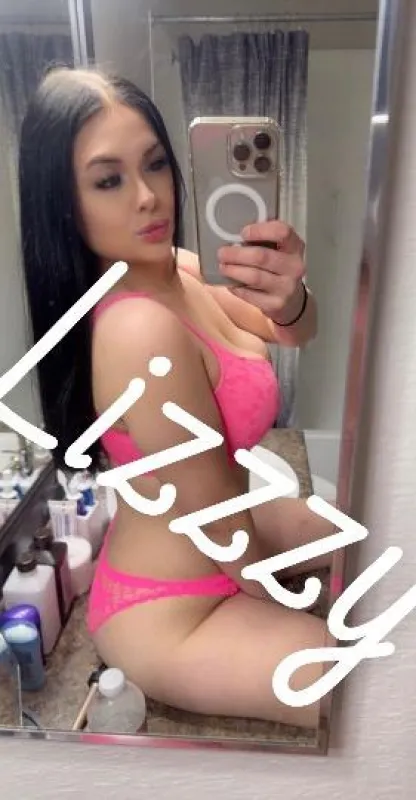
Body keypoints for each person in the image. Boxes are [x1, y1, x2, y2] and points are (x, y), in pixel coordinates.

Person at [19, 66, 335, 729]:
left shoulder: (183, 270)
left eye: (156, 164)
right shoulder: (138, 327)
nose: (147, 197)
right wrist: (294, 605)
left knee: (374, 541)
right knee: (368, 689)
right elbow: (221, 528)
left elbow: (295, 331)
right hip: (170, 608)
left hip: (232, 529)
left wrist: (292, 296)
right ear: (63, 204)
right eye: (109, 180)